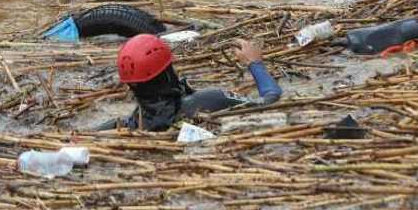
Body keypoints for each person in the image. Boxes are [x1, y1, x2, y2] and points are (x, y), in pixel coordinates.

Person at [99, 35, 282, 131]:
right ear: (168, 71)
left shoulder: (127, 125)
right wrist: (255, 64)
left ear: (131, 84)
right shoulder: (208, 100)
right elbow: (270, 102)